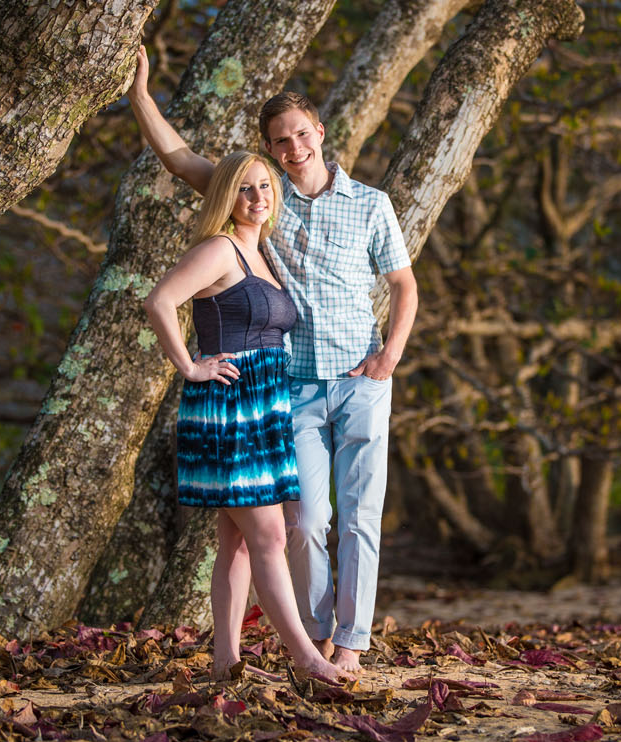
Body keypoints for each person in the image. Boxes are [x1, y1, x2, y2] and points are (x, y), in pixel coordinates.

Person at [128, 47, 418, 675]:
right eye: (280, 141)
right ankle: (312, 643)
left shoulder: (368, 203)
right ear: (270, 147)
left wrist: (390, 356)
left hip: (363, 378)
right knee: (306, 521)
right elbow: (179, 160)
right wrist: (140, 95)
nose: (293, 148)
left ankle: (351, 644)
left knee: (359, 517)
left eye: (302, 135)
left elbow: (404, 285)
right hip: (290, 391)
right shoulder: (262, 197)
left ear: (320, 133)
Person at [143, 150, 351, 684]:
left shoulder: (262, 254)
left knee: (236, 542)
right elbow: (160, 301)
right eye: (244, 189)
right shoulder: (220, 249)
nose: (257, 198)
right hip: (229, 410)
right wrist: (190, 367)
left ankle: (226, 661)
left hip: (265, 411)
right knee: (270, 536)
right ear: (225, 196)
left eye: (264, 187)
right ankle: (307, 660)